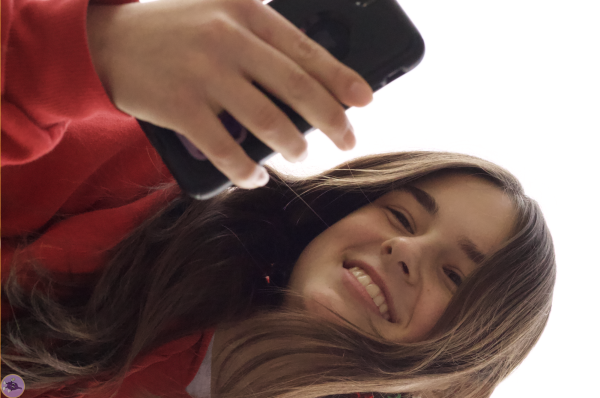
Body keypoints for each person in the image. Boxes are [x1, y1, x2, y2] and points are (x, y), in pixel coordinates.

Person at [1, 0, 556, 397]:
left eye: (455, 276)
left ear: (459, 381)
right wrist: (93, 48)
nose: (404, 251)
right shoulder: (158, 188)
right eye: (401, 216)